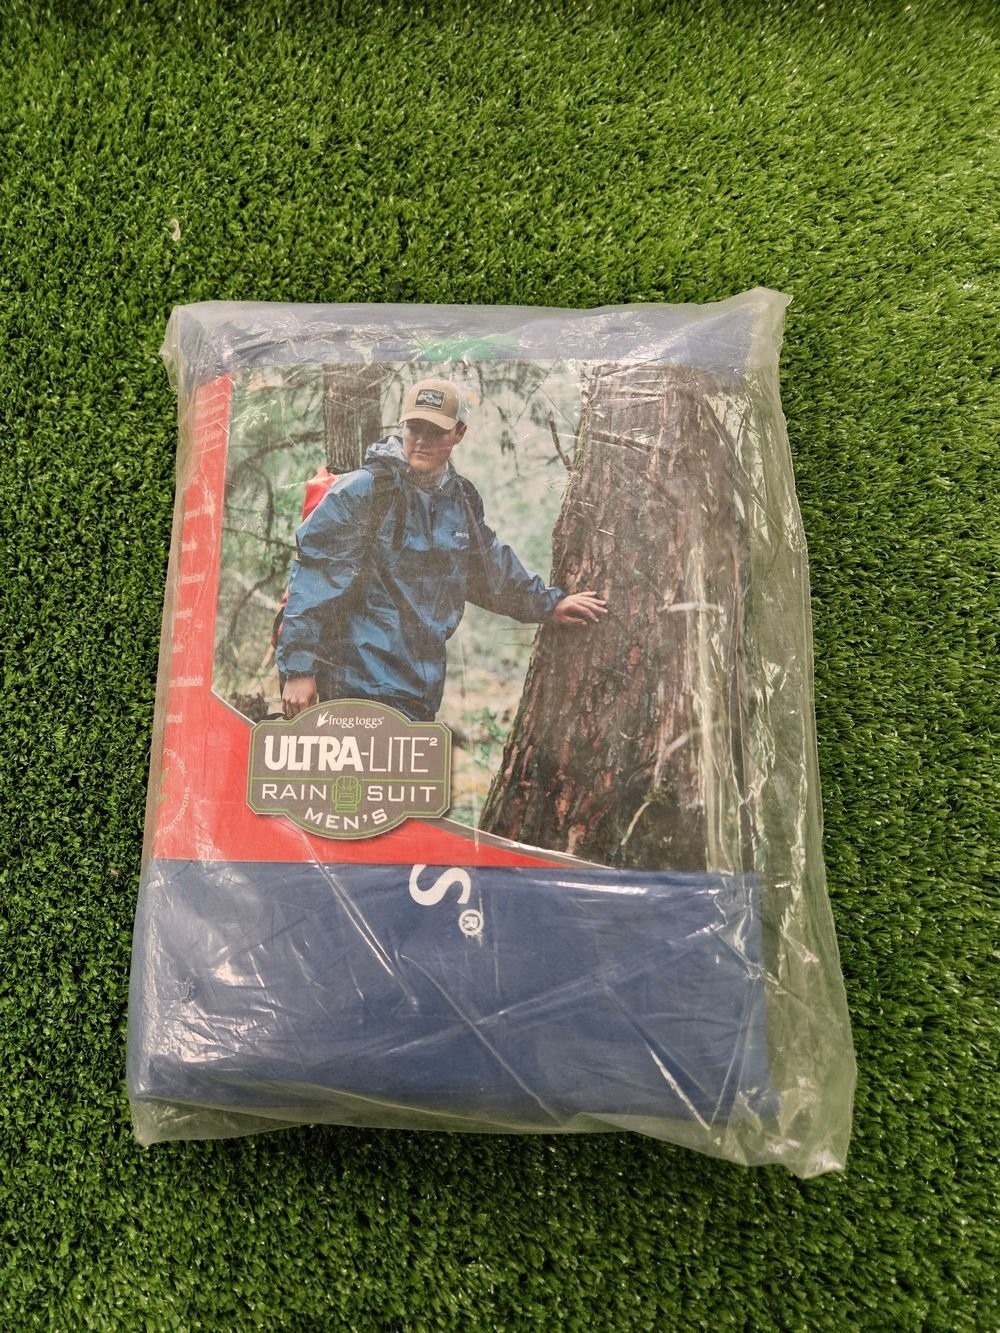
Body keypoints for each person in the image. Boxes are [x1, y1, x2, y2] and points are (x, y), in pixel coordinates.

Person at [277, 377, 607, 722]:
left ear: (459, 433)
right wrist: (299, 670)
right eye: (414, 428)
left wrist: (550, 605)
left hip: (418, 690)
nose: (421, 441)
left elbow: (489, 571)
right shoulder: (364, 489)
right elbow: (315, 576)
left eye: (435, 431)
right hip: (350, 684)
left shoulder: (459, 499)